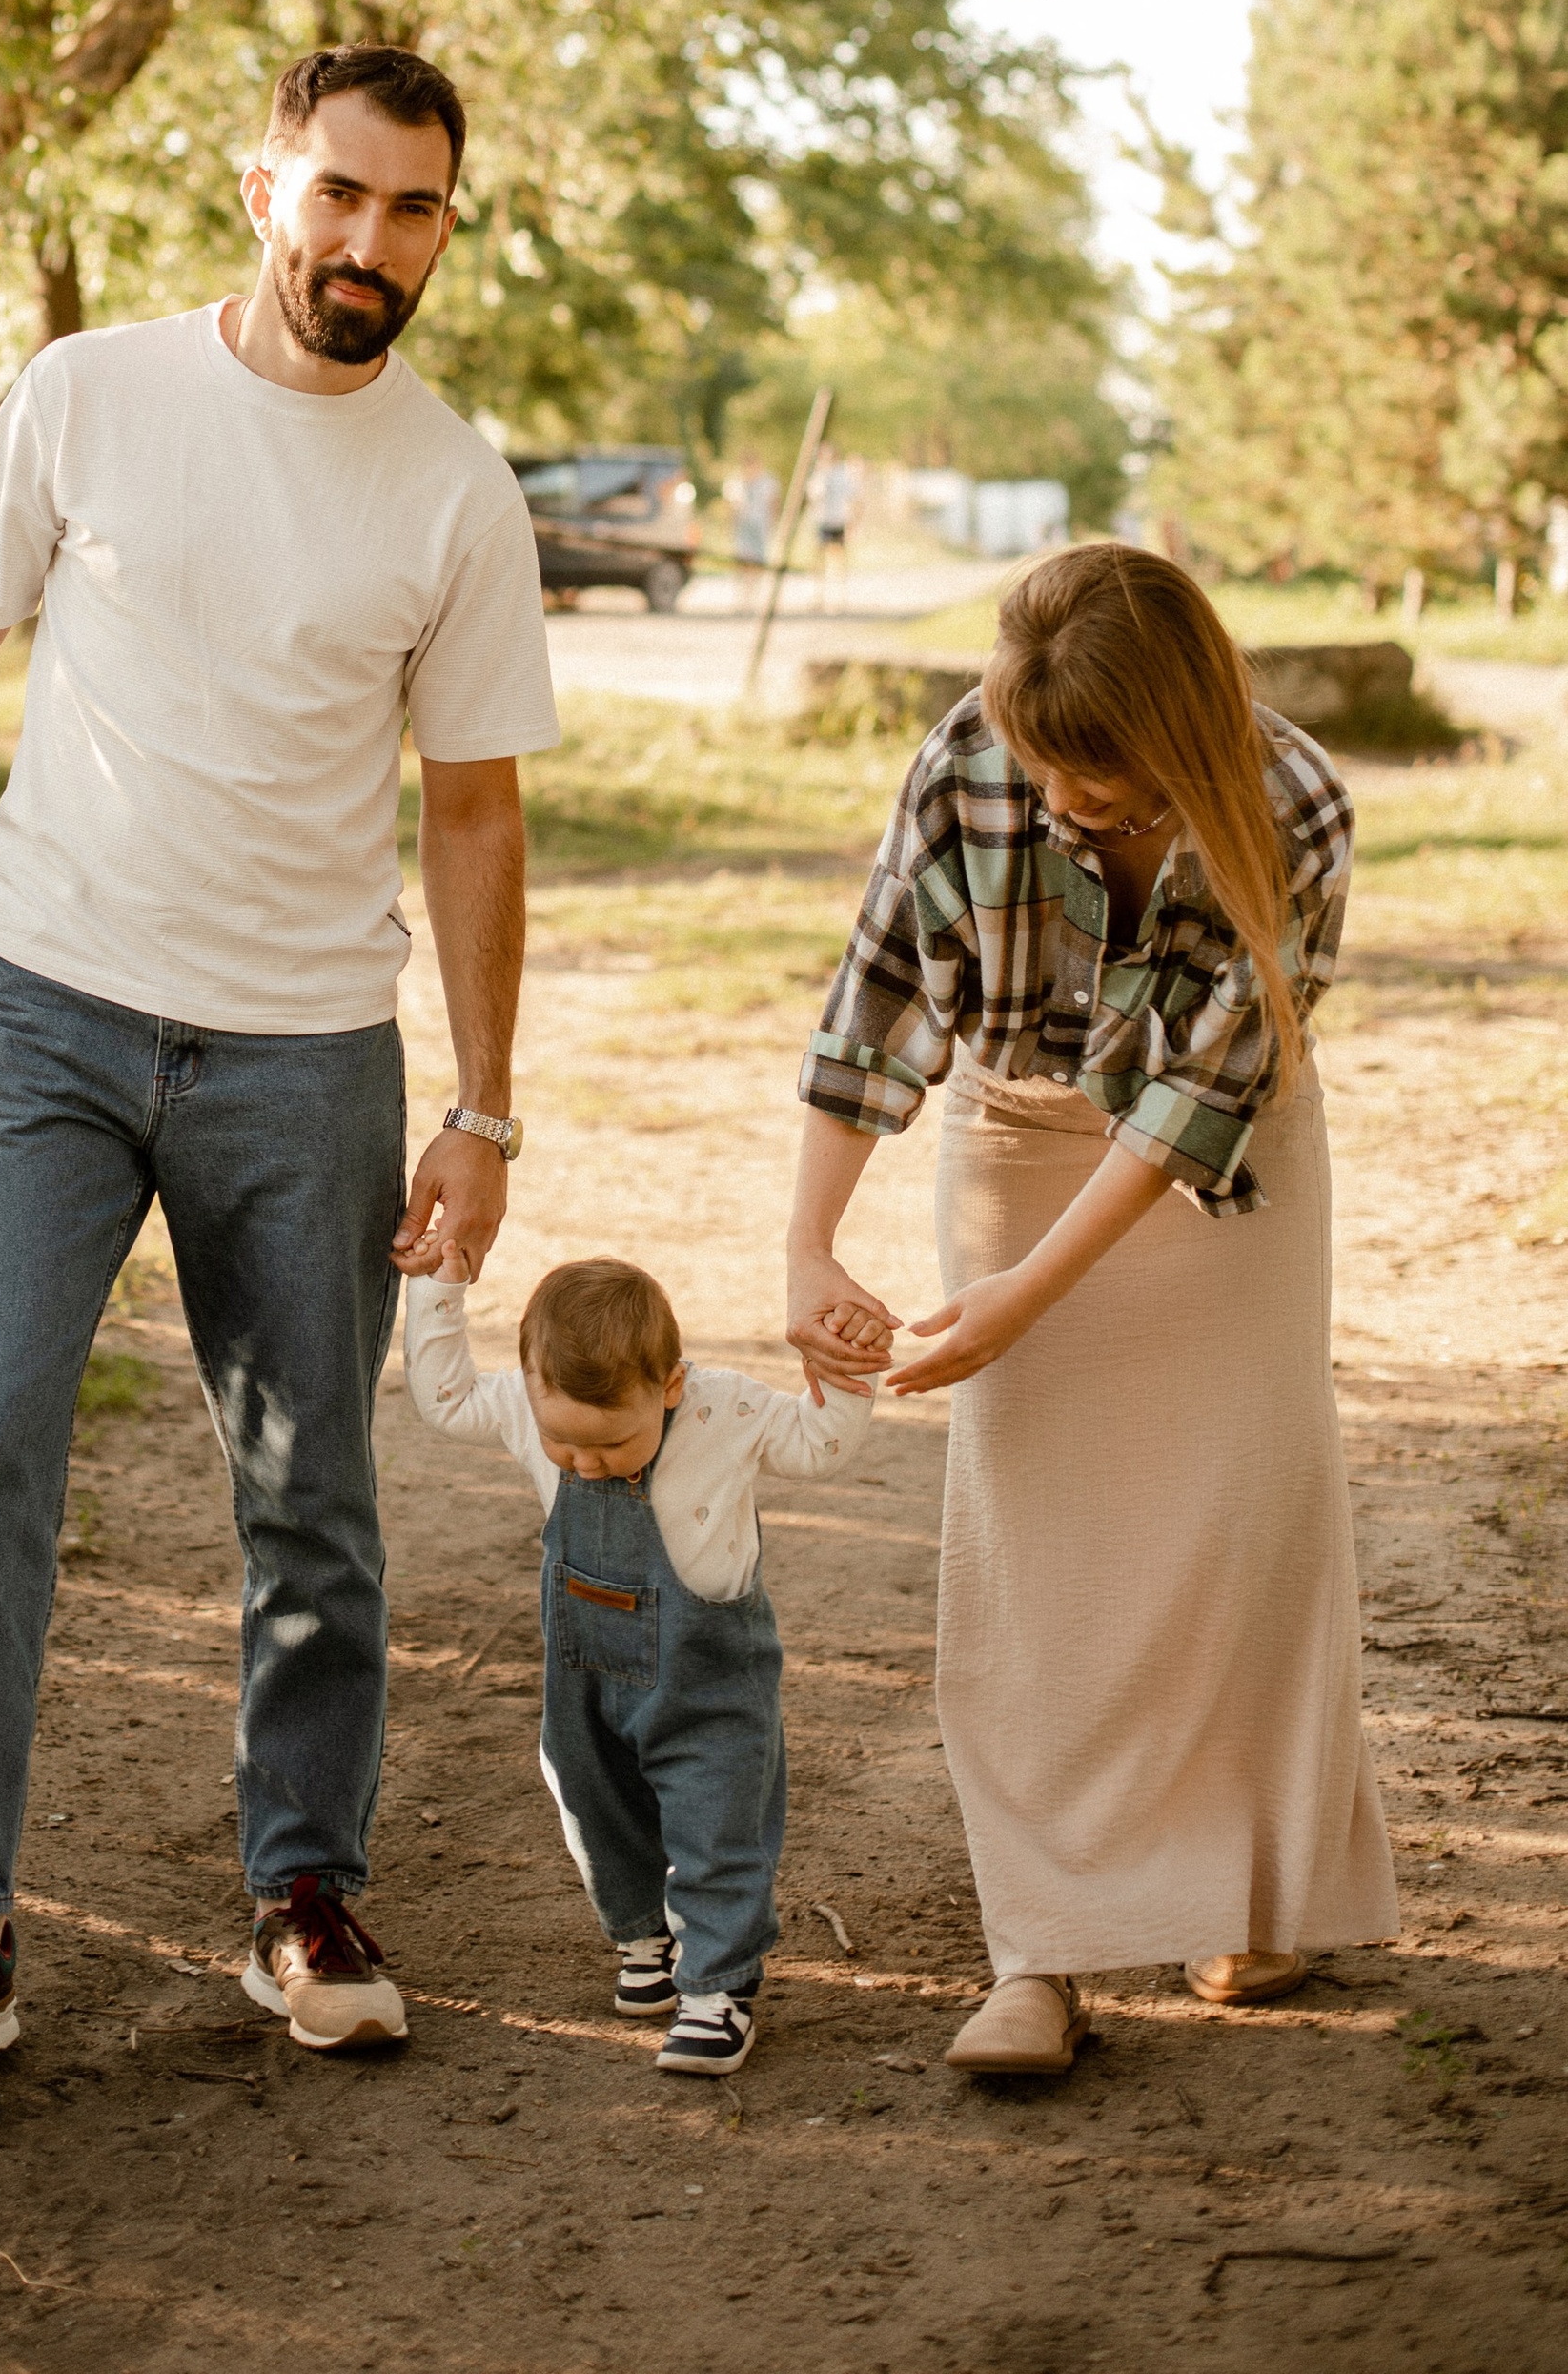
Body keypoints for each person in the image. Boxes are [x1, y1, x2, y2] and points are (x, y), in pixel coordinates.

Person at [0, 45, 560, 2073]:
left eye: (412, 210)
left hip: (308, 1053)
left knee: (312, 1496)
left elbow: (473, 811)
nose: (370, 241)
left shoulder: (455, 489)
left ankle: (304, 1897)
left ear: (444, 231)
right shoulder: (86, 396)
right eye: (339, 194)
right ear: (261, 192)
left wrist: (482, 1108)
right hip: (48, 1014)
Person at [784, 542, 1398, 2076]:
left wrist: (1027, 1296)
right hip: (1015, 1123)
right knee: (1034, 1543)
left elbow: (1203, 1099)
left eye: (1100, 788)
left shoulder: (1297, 804)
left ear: (1183, 747)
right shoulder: (967, 761)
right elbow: (877, 996)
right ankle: (1039, 1951)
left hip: (1228, 1157)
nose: (1061, 803)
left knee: (1241, 1512)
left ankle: (1244, 1885)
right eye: (1044, 772)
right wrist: (809, 1244)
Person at [402, 1251, 870, 2076]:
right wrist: (441, 1286)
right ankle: (643, 1937)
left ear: (671, 1386)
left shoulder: (724, 1410)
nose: (584, 1463)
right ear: (532, 1388)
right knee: (596, 1810)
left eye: (614, 1443)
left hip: (709, 1681)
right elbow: (444, 1399)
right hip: (586, 1678)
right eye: (562, 1444)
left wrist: (845, 1371)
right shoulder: (525, 1403)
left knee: (715, 1825)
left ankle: (718, 1987)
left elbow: (819, 1444)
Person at [810, 455, 858, 611]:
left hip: (838, 521)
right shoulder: (818, 476)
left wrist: (851, 522)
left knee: (838, 561)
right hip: (822, 521)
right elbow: (812, 499)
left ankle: (840, 596)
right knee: (820, 560)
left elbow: (852, 499)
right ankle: (819, 595)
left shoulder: (842, 475)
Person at [724, 463, 779, 585]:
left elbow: (774, 501)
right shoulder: (736, 482)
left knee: (759, 554)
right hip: (743, 523)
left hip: (760, 523)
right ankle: (744, 582)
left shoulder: (766, 481)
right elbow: (731, 504)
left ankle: (755, 581)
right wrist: (731, 523)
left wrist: (772, 520)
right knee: (743, 553)